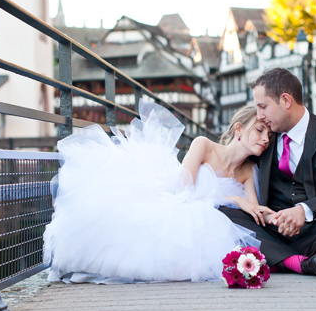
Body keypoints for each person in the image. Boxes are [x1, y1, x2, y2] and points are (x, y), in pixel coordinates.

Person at [43, 100, 271, 283]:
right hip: (177, 201)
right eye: (260, 130)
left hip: (209, 220)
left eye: (269, 135)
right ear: (238, 129)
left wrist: (286, 215)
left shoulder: (248, 170)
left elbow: (254, 210)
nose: (265, 139)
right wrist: (233, 198)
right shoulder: (204, 145)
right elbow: (183, 191)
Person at [219, 67, 316, 277]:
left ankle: (277, 258)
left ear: (286, 101)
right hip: (275, 230)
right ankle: (299, 261)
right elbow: (230, 160)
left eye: (263, 106)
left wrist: (304, 210)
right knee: (226, 211)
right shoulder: (265, 138)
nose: (259, 116)